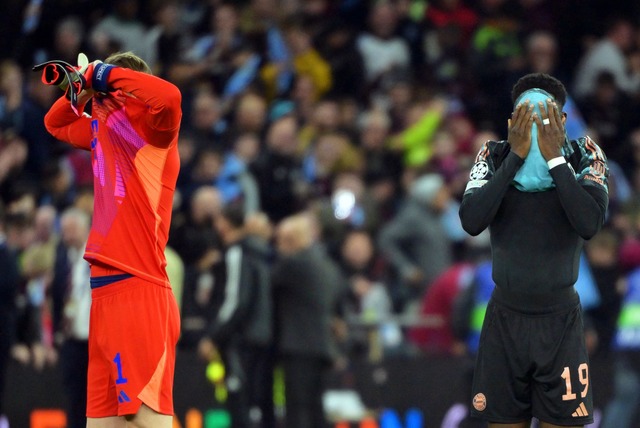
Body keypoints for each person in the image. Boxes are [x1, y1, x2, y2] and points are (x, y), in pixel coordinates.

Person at [459, 72, 609, 427]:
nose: (536, 124)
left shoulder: (584, 153)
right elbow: (471, 220)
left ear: (563, 120)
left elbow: (589, 223)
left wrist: (556, 160)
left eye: (546, 116)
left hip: (560, 322)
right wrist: (515, 157)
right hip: (504, 320)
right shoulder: (493, 154)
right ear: (512, 122)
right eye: (526, 116)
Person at [43, 51, 182, 428]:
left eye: (113, 90)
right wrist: (82, 89)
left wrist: (103, 74)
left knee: (148, 422)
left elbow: (168, 97)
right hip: (104, 294)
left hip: (140, 287)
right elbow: (54, 124)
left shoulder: (157, 133)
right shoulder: (103, 129)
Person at [198, 203, 273, 428]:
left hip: (240, 339)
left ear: (225, 223)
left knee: (238, 401)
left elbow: (235, 300)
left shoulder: (236, 252)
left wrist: (213, 336)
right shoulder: (258, 251)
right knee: (254, 404)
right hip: (259, 337)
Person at [51, 207, 92, 428]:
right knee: (73, 399)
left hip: (96, 340)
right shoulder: (62, 258)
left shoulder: (99, 255)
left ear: (86, 229)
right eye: (64, 231)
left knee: (95, 400)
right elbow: (58, 299)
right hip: (71, 340)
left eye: (73, 230)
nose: (68, 236)